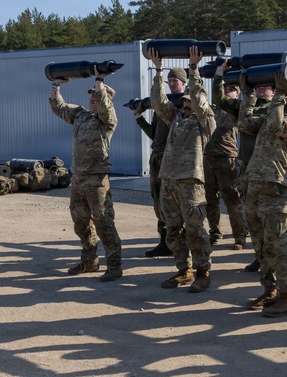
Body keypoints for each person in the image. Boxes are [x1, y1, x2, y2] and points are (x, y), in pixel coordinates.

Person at [239, 77, 287, 317]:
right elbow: (244, 124)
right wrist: (248, 95)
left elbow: (276, 126)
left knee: (278, 244)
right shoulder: (272, 115)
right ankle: (269, 291)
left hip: (277, 189)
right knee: (261, 245)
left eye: (285, 94)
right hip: (255, 187)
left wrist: (278, 94)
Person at [150, 47, 217, 293]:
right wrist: (159, 71)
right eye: (185, 101)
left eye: (191, 101)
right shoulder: (176, 117)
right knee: (172, 230)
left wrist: (194, 70)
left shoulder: (205, 122)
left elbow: (199, 100)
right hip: (169, 181)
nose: (187, 105)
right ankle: (183, 269)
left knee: (196, 230)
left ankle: (203, 272)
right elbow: (158, 102)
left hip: (190, 183)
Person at [49, 71, 124, 282]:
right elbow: (60, 107)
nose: (93, 98)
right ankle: (89, 260)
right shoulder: (80, 115)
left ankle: (114, 266)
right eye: (91, 94)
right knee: (80, 222)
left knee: (104, 223)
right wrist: (56, 85)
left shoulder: (107, 120)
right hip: (79, 178)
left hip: (97, 179)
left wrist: (100, 81)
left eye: (97, 95)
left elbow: (105, 107)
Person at [213, 62, 274, 272]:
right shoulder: (245, 106)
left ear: (274, 91)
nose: (260, 87)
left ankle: (273, 257)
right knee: (252, 215)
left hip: (268, 169)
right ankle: (260, 256)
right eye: (258, 84)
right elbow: (219, 99)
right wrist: (219, 74)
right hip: (248, 167)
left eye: (265, 85)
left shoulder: (276, 109)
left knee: (268, 216)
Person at [135, 67, 188, 258]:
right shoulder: (160, 106)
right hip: (157, 157)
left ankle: (180, 242)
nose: (172, 84)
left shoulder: (185, 105)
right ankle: (165, 240)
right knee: (158, 199)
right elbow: (155, 135)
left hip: (173, 160)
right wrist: (139, 118)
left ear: (184, 83)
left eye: (175, 81)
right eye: (169, 81)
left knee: (174, 201)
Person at [202, 81, 249, 250]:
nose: (228, 92)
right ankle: (214, 233)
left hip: (227, 158)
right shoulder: (211, 110)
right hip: (207, 157)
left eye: (232, 90)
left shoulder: (237, 109)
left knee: (232, 199)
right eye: (225, 89)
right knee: (209, 199)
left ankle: (240, 236)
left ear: (238, 94)